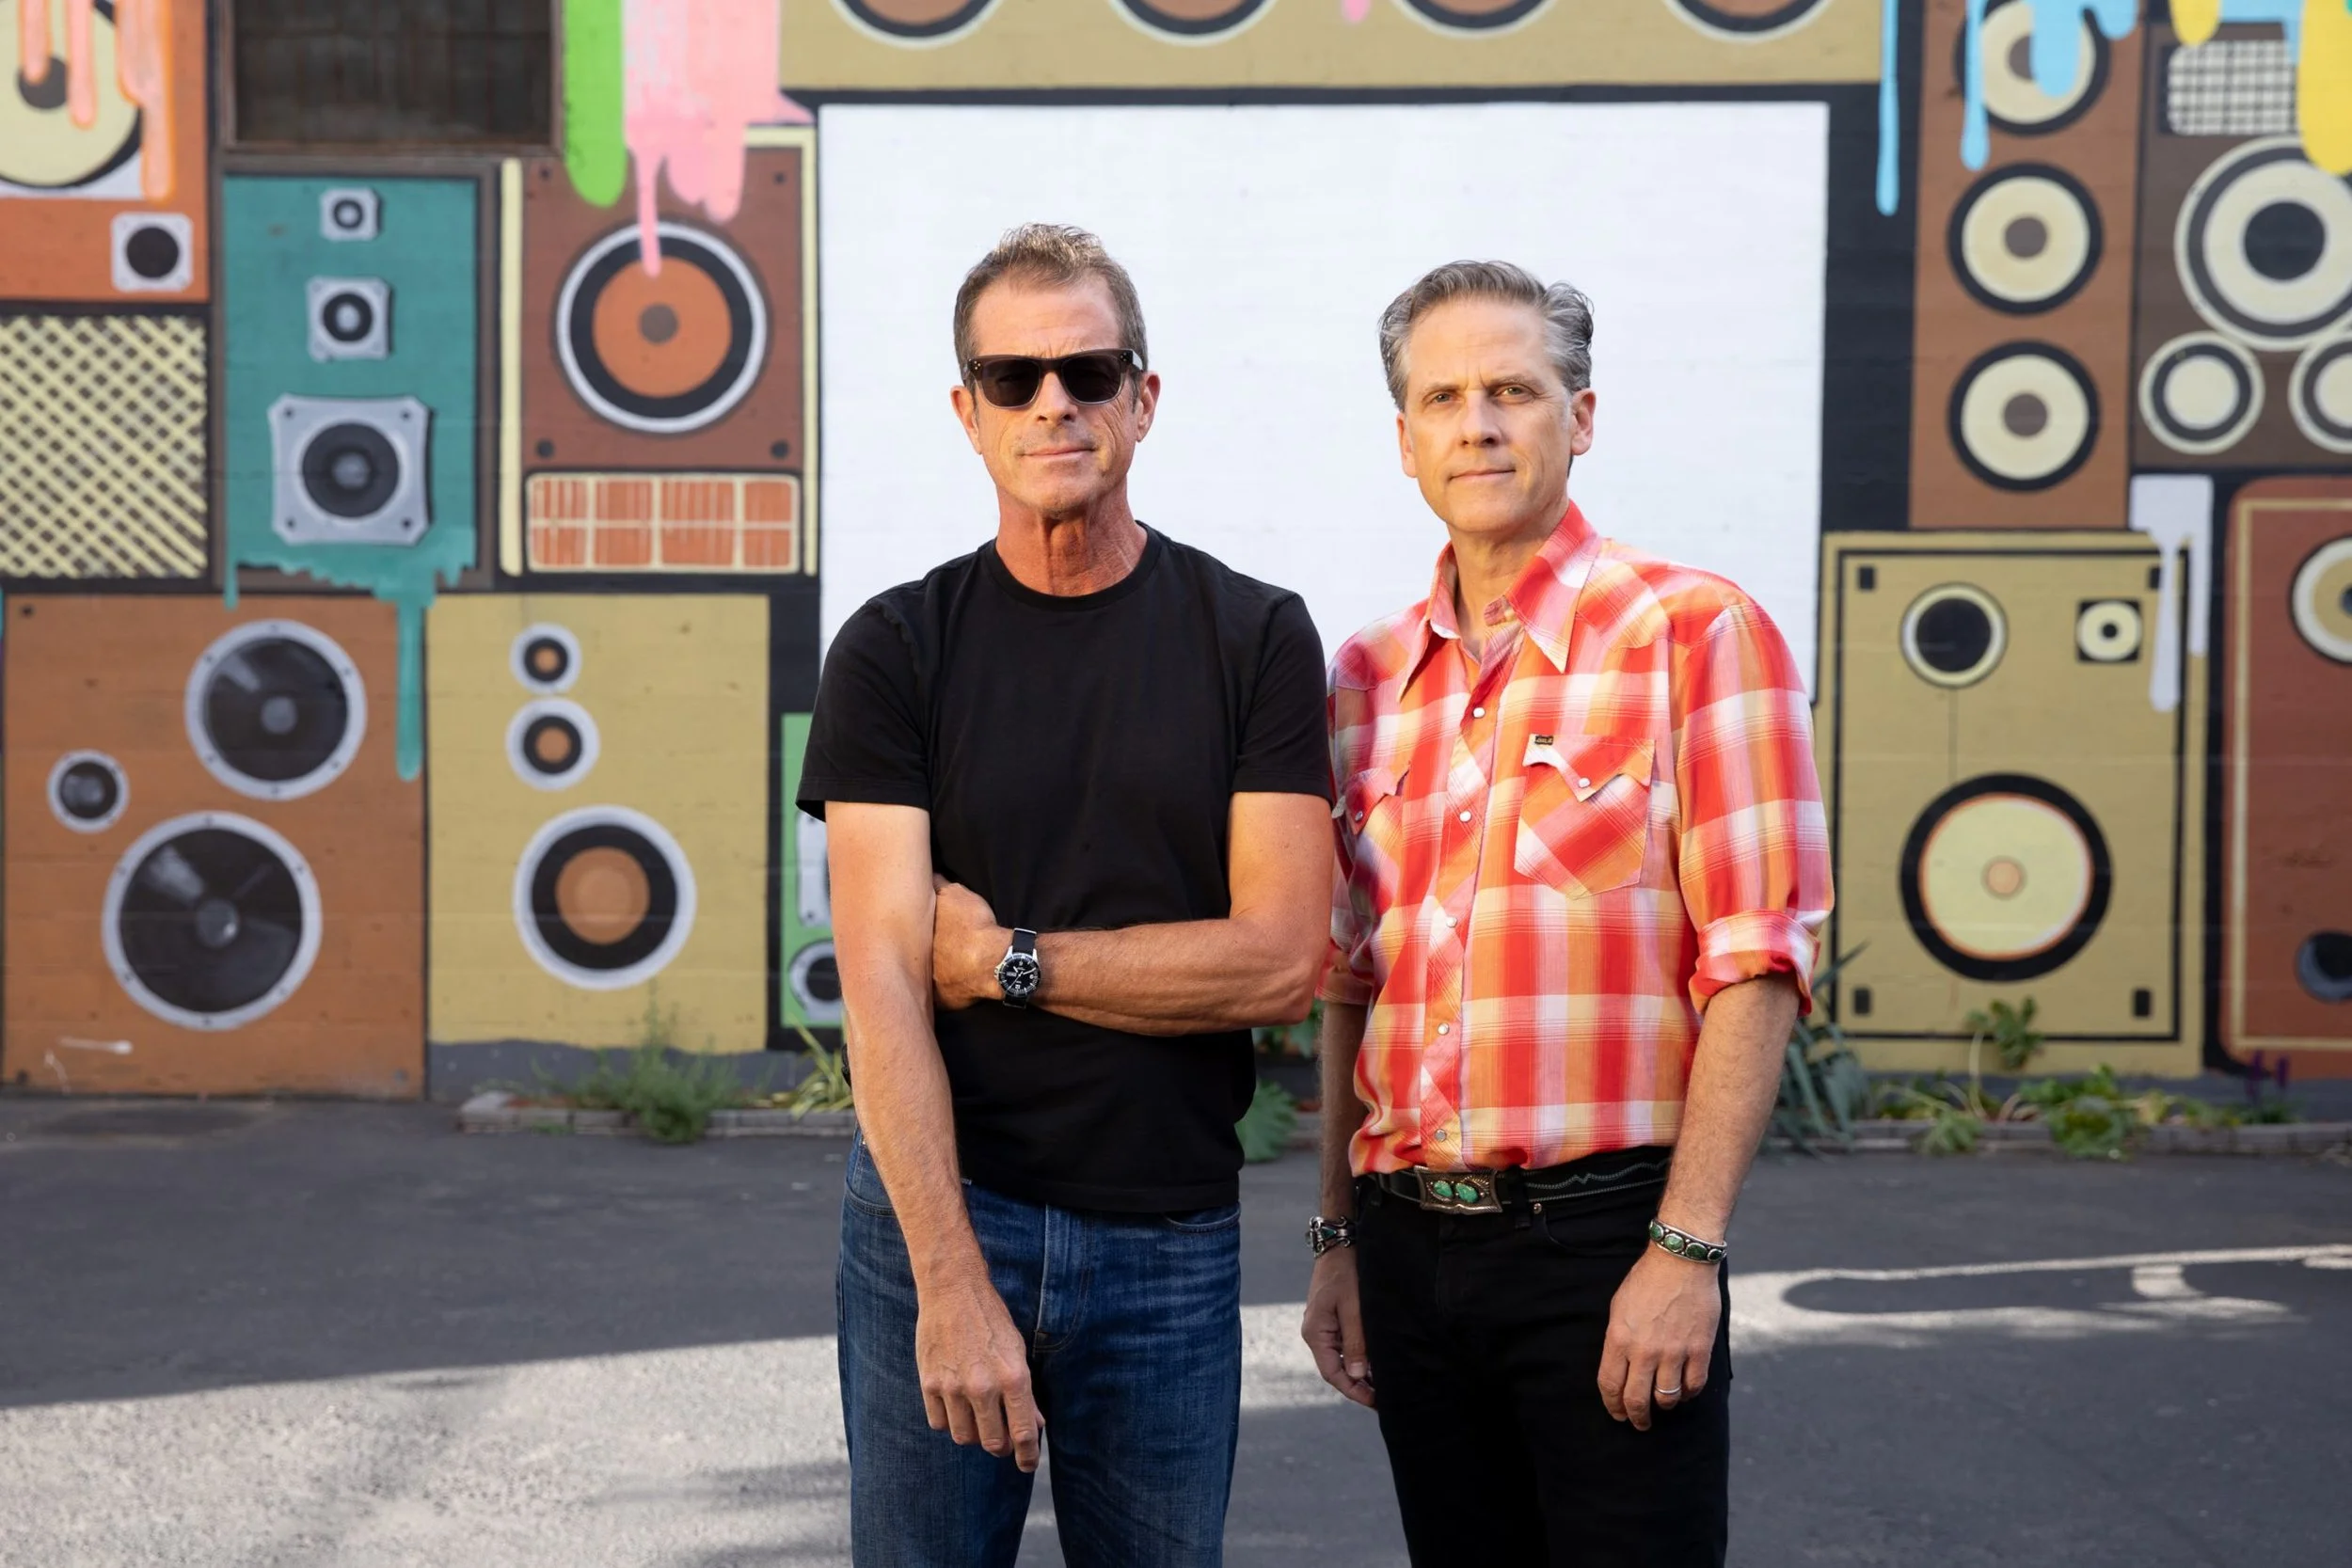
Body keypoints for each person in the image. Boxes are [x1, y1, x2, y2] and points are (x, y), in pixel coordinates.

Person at [800, 223, 1334, 1568]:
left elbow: (1280, 963)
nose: (1054, 403)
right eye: (1013, 377)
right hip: (943, 1214)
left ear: (1142, 400)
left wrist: (1005, 962)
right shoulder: (895, 651)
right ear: (967, 411)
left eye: (1089, 372)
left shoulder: (1257, 637)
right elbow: (883, 986)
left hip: (1169, 1238)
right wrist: (947, 1278)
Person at [1298, 261, 1834, 1566]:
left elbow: (1758, 962)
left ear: (1579, 417)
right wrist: (1336, 1239)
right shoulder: (1365, 679)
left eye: (1514, 391)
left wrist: (1684, 1252)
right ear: (1406, 440)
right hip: (1406, 1249)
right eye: (1443, 399)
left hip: (1606, 1242)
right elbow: (1349, 981)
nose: (1477, 424)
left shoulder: (1696, 634)